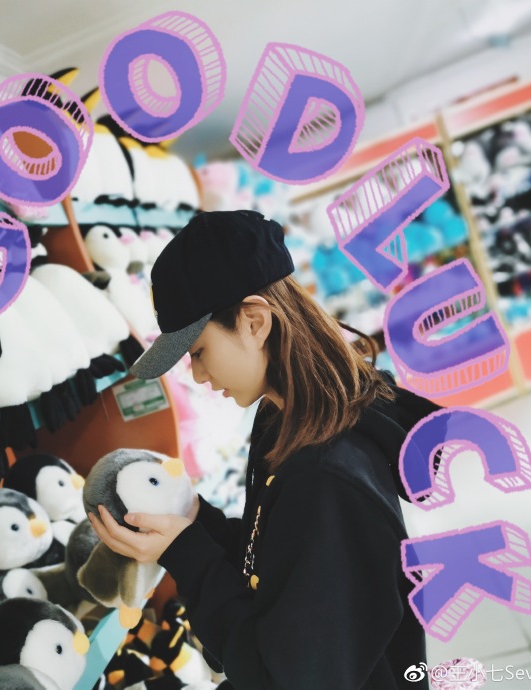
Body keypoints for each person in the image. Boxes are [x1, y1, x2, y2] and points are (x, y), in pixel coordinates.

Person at [88, 210, 437, 690]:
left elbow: (284, 677)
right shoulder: (283, 419)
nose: (197, 374)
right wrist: (194, 522)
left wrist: (187, 555)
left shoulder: (327, 475)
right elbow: (280, 562)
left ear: (254, 322)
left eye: (198, 351)